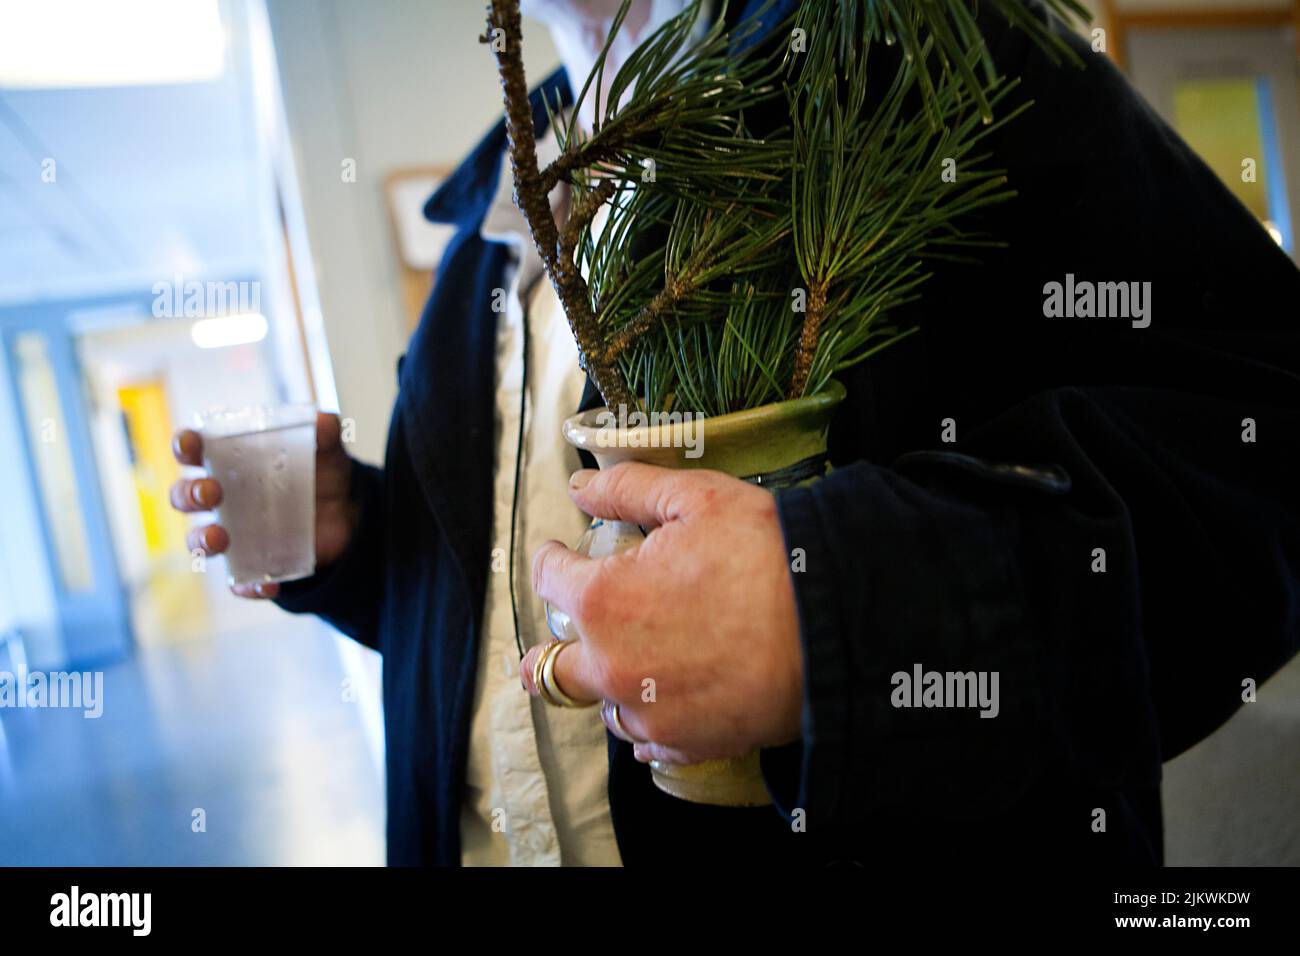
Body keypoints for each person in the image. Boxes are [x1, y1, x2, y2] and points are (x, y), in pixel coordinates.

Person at [170, 0, 1300, 866]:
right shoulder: (489, 221)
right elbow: (515, 607)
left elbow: (1263, 445)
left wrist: (837, 608)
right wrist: (365, 544)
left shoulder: (934, 60)